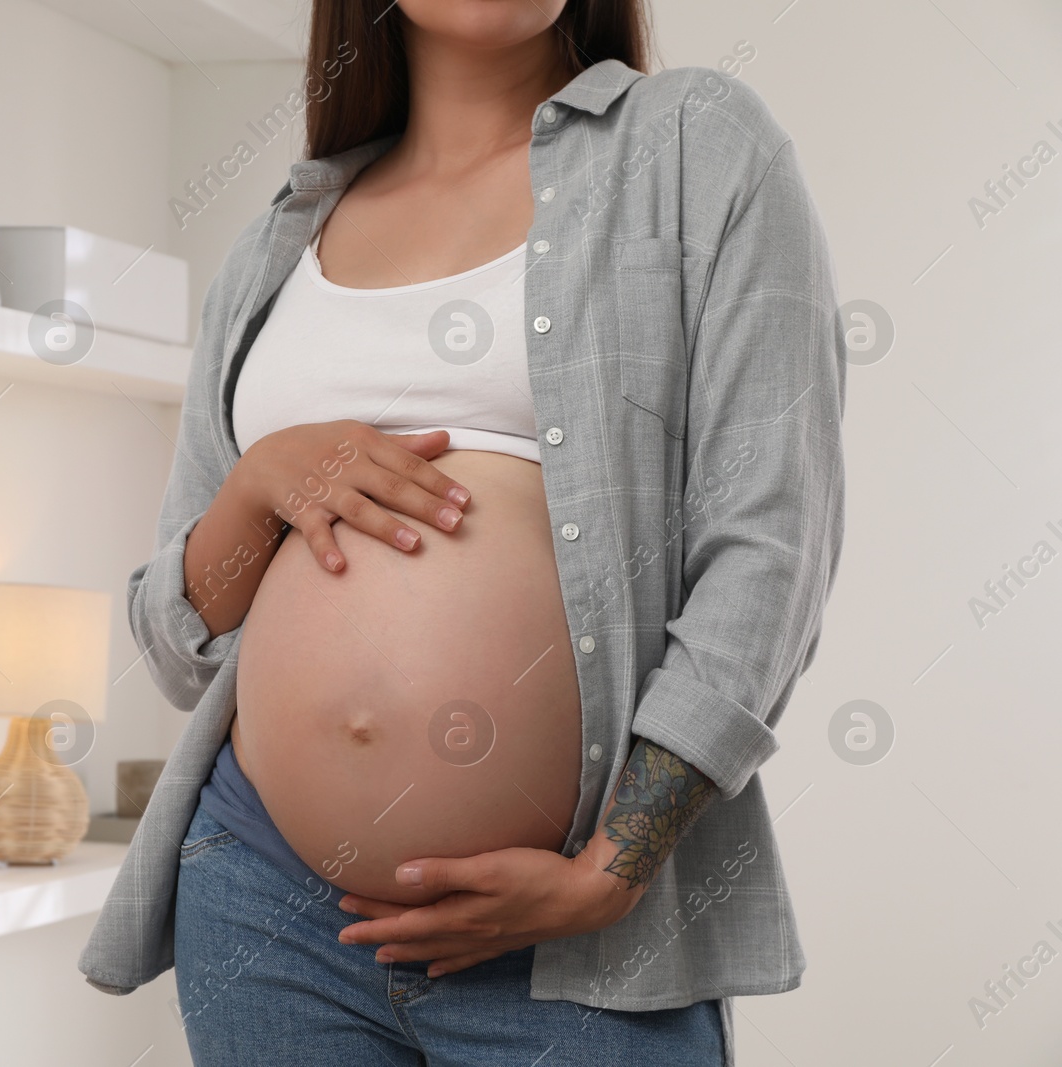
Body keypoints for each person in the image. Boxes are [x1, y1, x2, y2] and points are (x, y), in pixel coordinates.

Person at [81, 1, 846, 1063]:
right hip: (265, 900)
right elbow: (178, 642)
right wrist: (257, 489)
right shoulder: (276, 239)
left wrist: (610, 870)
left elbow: (770, 541)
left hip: (575, 931)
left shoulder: (692, 144)